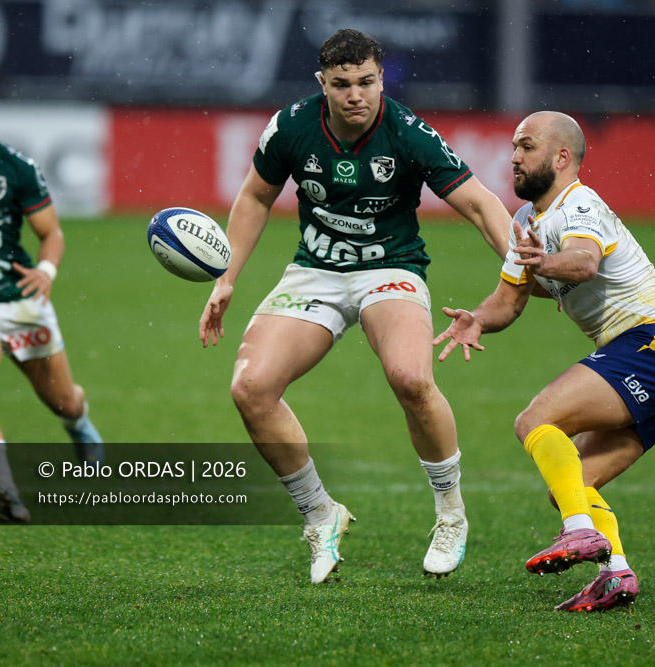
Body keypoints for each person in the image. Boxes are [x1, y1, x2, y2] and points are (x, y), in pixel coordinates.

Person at [198, 29, 511, 583]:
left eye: (366, 82)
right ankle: (321, 515)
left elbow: (482, 206)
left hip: (390, 268)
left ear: (381, 79)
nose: (355, 95)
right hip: (315, 270)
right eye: (341, 85)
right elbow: (254, 196)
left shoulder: (409, 133)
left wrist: (522, 272)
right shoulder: (292, 126)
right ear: (323, 84)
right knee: (250, 388)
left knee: (411, 378)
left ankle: (450, 514)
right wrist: (227, 277)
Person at [433, 111, 655, 611]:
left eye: (526, 146)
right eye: (514, 146)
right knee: (572, 485)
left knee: (535, 420)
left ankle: (578, 534)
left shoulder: (578, 203)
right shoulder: (524, 223)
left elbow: (583, 262)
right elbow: (508, 302)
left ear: (561, 157)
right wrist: (477, 320)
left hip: (653, 346)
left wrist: (543, 262)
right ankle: (615, 573)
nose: (513, 156)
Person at [0, 71, 103, 523]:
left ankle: (80, 424)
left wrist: (46, 271)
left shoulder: (15, 167)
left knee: (62, 400)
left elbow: (51, 234)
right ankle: (2, 486)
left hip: (19, 297)